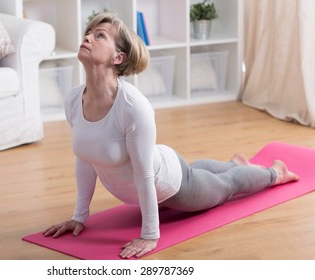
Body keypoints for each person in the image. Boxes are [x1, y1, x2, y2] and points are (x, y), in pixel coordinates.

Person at [43, 11, 300, 259]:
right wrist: (79, 216)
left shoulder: (133, 106)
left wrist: (150, 235)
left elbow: (144, 175)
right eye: (89, 32)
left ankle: (275, 173)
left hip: (170, 184)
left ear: (118, 57)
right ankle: (235, 163)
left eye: (100, 35)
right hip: (156, 164)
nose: (87, 37)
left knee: (226, 186)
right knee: (198, 172)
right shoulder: (74, 99)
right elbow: (87, 156)